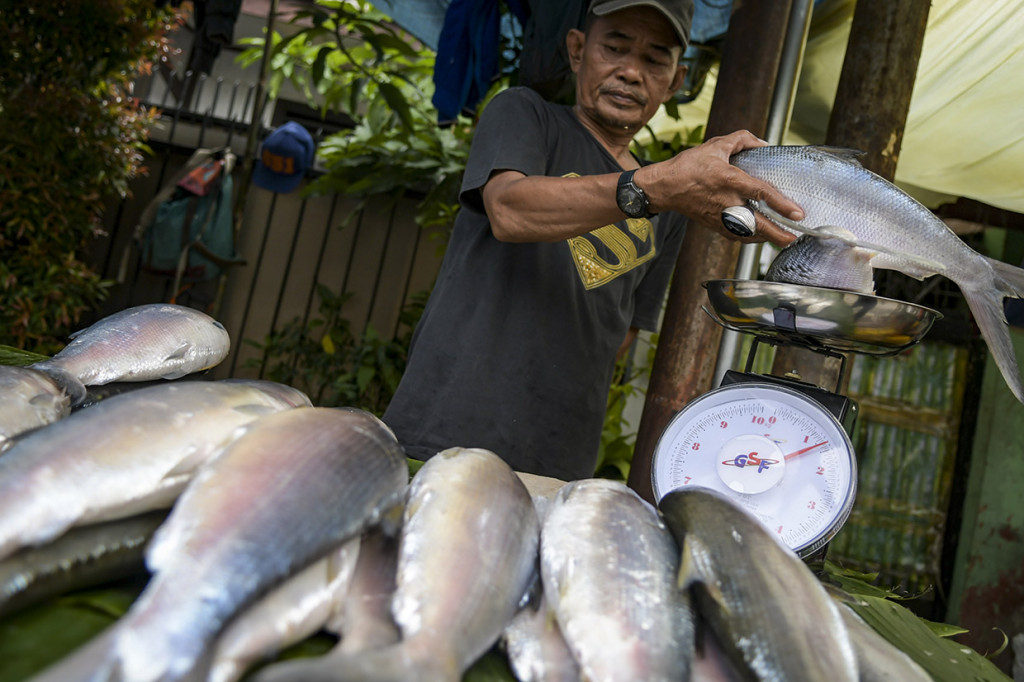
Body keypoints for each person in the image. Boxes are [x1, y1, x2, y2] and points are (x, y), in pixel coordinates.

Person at [382, 0, 803, 481]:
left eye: (654, 59)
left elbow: (622, 331)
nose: (630, 72)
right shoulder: (525, 115)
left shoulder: (671, 203)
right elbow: (508, 210)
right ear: (578, 50)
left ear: (677, 81)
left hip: (558, 460)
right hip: (445, 429)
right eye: (615, 48)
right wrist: (651, 186)